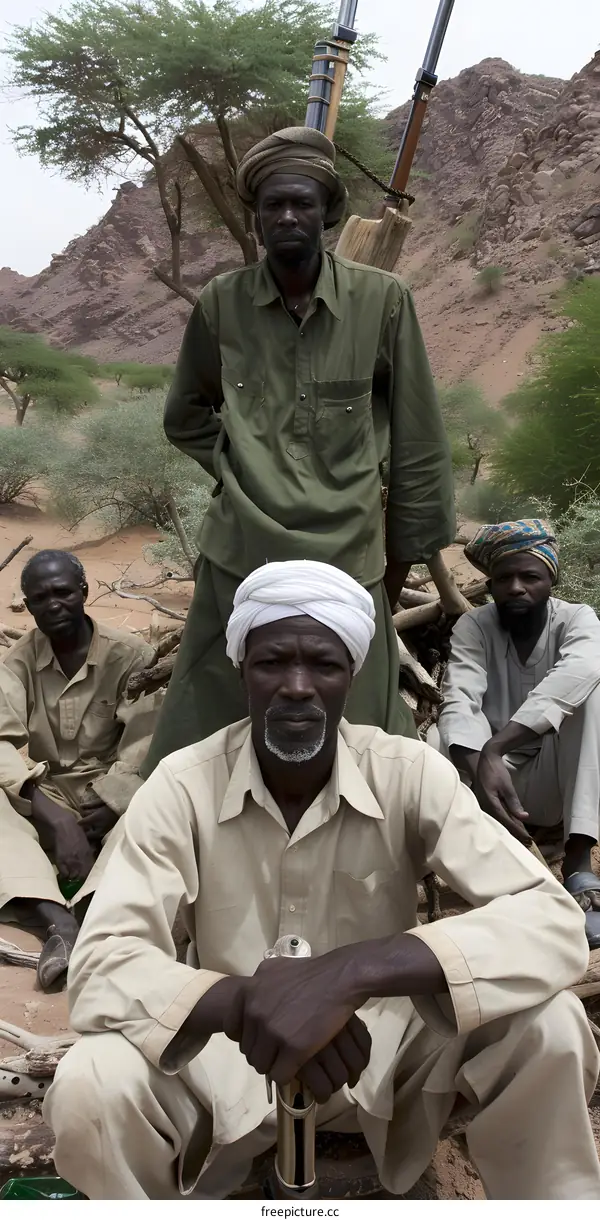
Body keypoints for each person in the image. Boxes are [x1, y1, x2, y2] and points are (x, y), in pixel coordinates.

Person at [45, 560, 599, 1200]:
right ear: (242, 671)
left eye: (325, 666)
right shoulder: (181, 783)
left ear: (352, 676)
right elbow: (102, 962)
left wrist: (351, 973)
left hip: (384, 1051)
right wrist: (247, 1003)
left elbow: (552, 920)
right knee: (89, 1081)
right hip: (226, 1054)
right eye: (272, 662)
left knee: (550, 1026)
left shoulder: (408, 772)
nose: (297, 688)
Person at [142, 125, 455, 777]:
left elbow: (419, 437)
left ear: (327, 213)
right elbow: (185, 415)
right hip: (241, 551)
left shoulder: (383, 301)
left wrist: (403, 552)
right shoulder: (222, 304)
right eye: (273, 205)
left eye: (302, 203)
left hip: (348, 555)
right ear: (256, 218)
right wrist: (235, 464)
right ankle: (178, 847)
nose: (287, 215)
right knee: (202, 730)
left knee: (364, 734)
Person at [436, 519, 600, 949]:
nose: (516, 587)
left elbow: (581, 669)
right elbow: (460, 699)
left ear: (551, 580)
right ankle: (484, 863)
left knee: (591, 696)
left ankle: (579, 863)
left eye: (531, 576)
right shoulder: (474, 627)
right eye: (504, 577)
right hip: (490, 790)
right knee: (439, 738)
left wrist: (496, 746)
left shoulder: (577, 619)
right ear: (489, 584)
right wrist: (482, 762)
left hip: (556, 778)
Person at [0, 549, 155, 990]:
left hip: (112, 791)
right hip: (46, 791)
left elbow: (145, 744)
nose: (53, 604)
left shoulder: (132, 656)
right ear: (27, 606)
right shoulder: (17, 662)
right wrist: (54, 818)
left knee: (154, 812)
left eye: (63, 592)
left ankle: (90, 912)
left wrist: (111, 804)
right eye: (40, 597)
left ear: (84, 592)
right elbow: (2, 744)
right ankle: (59, 924)